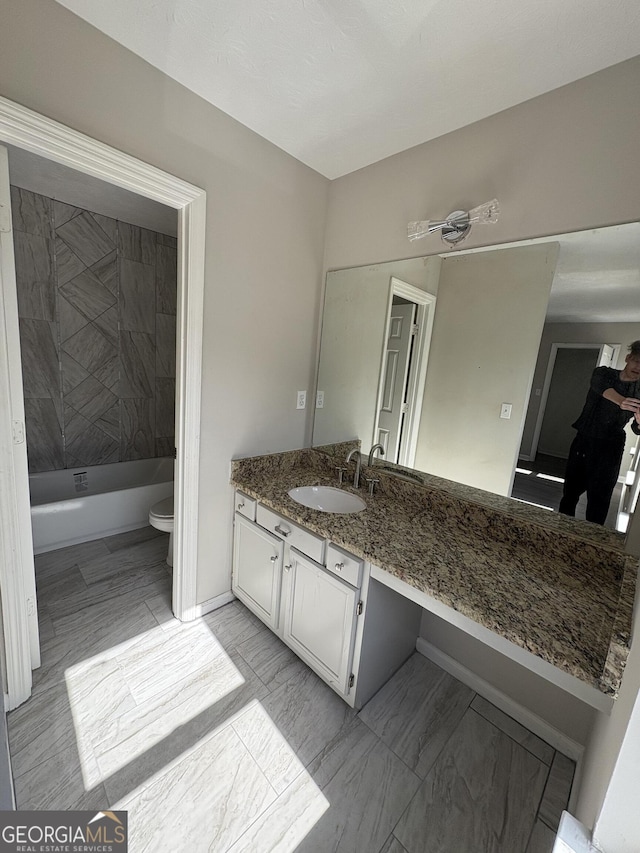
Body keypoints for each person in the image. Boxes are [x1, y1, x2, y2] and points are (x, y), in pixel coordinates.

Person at [559, 341, 640, 525]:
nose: (639, 368)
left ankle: (592, 545)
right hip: (584, 441)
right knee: (570, 494)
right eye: (637, 361)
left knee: (600, 501)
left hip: (611, 447)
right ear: (628, 358)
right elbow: (601, 387)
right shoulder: (604, 373)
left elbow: (637, 429)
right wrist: (622, 401)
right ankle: (560, 532)